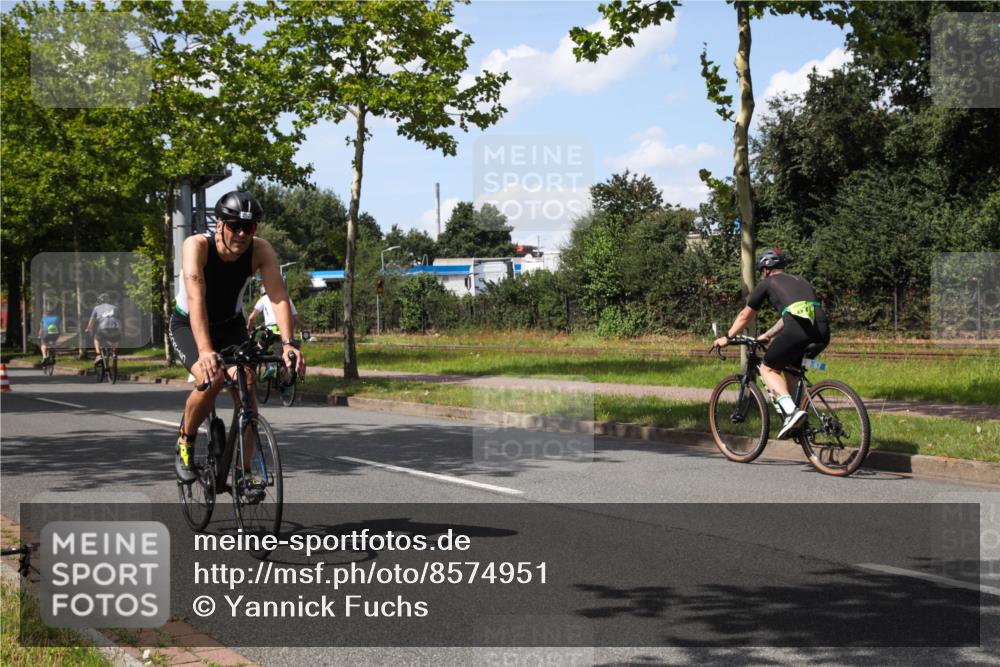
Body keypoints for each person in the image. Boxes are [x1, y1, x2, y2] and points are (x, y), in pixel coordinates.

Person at [169, 190, 306, 481]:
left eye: (250, 227)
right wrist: (206, 351)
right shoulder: (197, 246)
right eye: (235, 226)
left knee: (247, 382)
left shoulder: (260, 250)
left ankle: (243, 473)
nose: (242, 234)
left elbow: (278, 296)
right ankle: (185, 440)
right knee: (212, 378)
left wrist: (289, 344)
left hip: (230, 325)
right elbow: (195, 298)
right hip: (188, 325)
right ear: (218, 224)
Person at [713, 248, 830, 439]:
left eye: (761, 271)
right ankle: (798, 423)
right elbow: (793, 314)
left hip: (798, 331)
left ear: (766, 270)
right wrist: (767, 335)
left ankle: (792, 413)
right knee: (791, 368)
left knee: (768, 369)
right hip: (823, 331)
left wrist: (727, 337)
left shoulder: (768, 283)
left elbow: (745, 316)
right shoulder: (801, 281)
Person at [86, 293, 122, 364]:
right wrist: (120, 330)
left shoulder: (96, 308)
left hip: (103, 329)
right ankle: (113, 352)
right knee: (115, 340)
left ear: (100, 301)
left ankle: (98, 355)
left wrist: (89, 328)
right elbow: (119, 320)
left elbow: (92, 320)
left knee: (96, 339)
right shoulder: (115, 307)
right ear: (108, 300)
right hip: (115, 328)